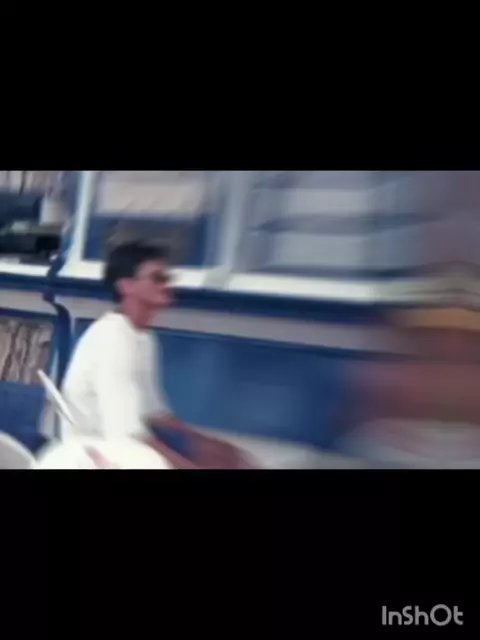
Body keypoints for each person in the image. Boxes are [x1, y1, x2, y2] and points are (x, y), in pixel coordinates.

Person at [61, 240, 254, 469]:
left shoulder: (143, 338)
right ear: (126, 286)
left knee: (230, 458)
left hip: (125, 449)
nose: (167, 285)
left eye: (168, 278)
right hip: (97, 457)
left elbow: (155, 413)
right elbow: (126, 434)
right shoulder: (112, 339)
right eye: (157, 278)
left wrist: (208, 444)